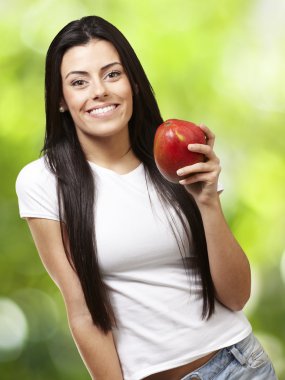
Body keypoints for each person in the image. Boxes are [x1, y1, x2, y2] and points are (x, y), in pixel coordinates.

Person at [16, 16, 277, 380]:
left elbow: (236, 296)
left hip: (239, 365)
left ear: (133, 83)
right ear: (61, 99)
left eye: (112, 74)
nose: (99, 91)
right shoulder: (44, 181)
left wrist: (207, 201)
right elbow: (83, 311)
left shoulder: (176, 157)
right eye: (79, 82)